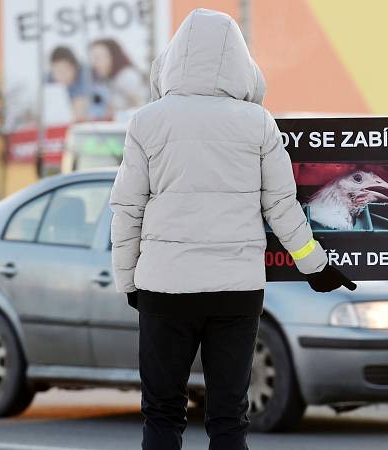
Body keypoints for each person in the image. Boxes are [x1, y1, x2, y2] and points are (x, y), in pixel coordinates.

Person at [108, 9, 355, 450]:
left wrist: (129, 280)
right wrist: (314, 266)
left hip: (165, 289)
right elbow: (281, 205)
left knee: (162, 412)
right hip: (236, 293)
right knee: (228, 417)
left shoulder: (147, 122)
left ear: (175, 58)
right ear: (242, 64)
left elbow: (128, 208)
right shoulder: (258, 123)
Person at [89, 38, 147, 116]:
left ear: (112, 56)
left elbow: (142, 106)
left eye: (98, 58)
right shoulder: (107, 80)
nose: (95, 63)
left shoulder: (126, 76)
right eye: (93, 59)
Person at [47, 46, 90, 121]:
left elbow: (79, 109)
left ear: (75, 67)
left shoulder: (85, 74)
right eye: (58, 71)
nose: (62, 76)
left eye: (66, 70)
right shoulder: (48, 79)